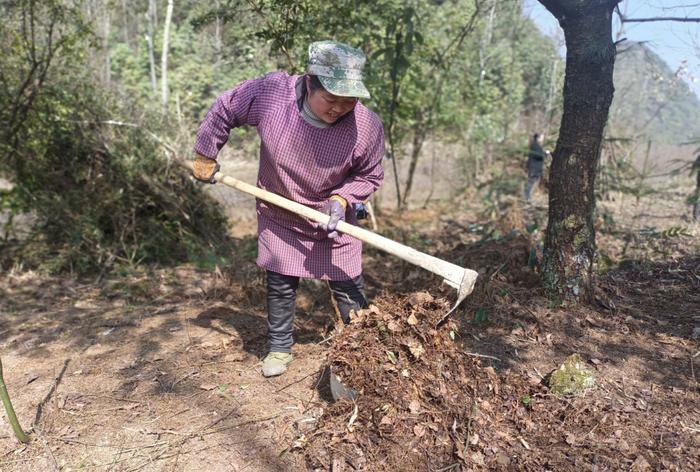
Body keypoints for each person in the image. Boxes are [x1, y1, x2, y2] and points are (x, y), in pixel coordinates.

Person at [191, 41, 385, 377]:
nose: (339, 108)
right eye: (331, 98)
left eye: (349, 100)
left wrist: (341, 200)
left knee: (348, 282)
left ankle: (362, 348)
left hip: (332, 217)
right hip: (280, 209)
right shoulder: (271, 95)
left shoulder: (366, 127)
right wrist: (206, 153)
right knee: (281, 281)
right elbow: (225, 108)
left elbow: (369, 174)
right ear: (310, 82)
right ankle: (279, 348)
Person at [523, 133, 550, 201]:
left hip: (535, 167)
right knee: (531, 181)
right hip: (534, 167)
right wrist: (545, 153)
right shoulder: (535, 145)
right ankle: (526, 197)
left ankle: (527, 197)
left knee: (532, 182)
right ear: (538, 138)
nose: (542, 139)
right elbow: (538, 155)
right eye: (541, 137)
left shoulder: (536, 145)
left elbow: (538, 153)